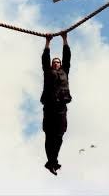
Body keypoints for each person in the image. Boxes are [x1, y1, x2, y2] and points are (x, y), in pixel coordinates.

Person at [40, 32, 72, 175]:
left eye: (58, 61)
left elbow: (67, 57)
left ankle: (53, 161)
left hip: (61, 108)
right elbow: (45, 59)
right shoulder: (48, 71)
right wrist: (48, 42)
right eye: (54, 61)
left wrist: (65, 39)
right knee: (49, 135)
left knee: (59, 136)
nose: (56, 62)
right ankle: (51, 161)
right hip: (49, 107)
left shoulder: (65, 71)